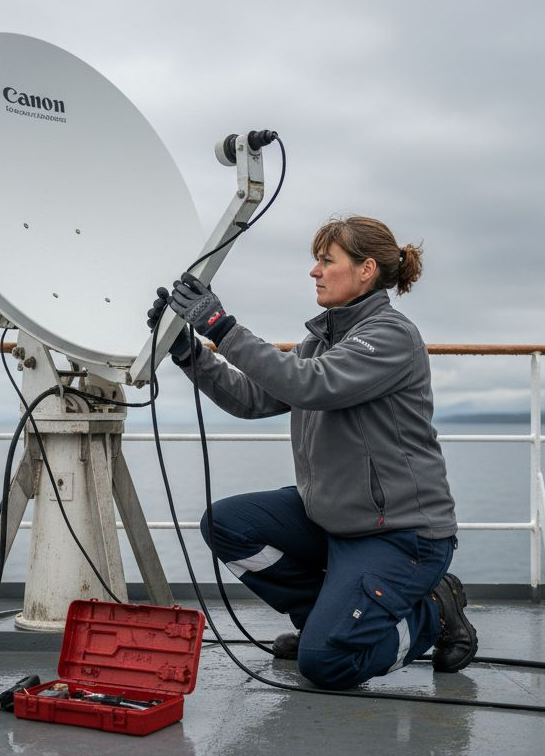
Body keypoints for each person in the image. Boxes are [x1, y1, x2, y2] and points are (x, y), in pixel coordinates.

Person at [147, 215, 476, 691]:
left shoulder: (391, 336)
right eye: (315, 261)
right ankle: (323, 619)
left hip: (401, 536)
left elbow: (309, 383)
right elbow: (253, 398)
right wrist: (188, 353)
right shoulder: (321, 339)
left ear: (365, 270)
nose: (314, 271)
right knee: (227, 525)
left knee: (328, 665)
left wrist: (221, 326)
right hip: (335, 521)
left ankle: (430, 616)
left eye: (326, 260)